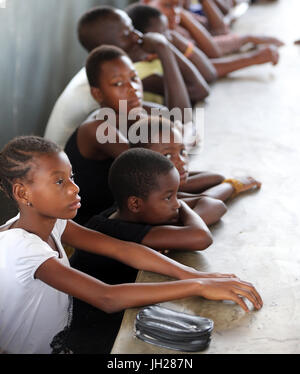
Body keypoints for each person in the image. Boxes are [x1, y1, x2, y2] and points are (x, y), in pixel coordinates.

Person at [0, 136, 263, 354]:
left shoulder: (53, 222)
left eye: (71, 177)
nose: (74, 188)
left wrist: (194, 274)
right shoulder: (22, 248)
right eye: (60, 181)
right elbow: (106, 297)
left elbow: (124, 249)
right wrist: (198, 286)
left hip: (67, 337)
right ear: (23, 193)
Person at [64, 45, 197, 224]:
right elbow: (156, 169)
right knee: (200, 201)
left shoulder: (142, 111)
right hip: (98, 220)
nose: (132, 89)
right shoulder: (96, 129)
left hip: (139, 203)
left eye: (134, 78)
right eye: (118, 83)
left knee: (203, 192)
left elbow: (183, 118)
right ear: (97, 93)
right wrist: (182, 142)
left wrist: (165, 50)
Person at [44, 6, 208, 148]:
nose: (137, 37)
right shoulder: (103, 83)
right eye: (127, 34)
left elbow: (172, 117)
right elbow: (188, 106)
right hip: (68, 175)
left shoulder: (117, 76)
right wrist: (163, 48)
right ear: (106, 46)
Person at [139, 0, 281, 79]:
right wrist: (254, 58)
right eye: (167, 5)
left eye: (178, 5)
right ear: (146, 2)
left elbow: (218, 32)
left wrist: (248, 38)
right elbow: (204, 68)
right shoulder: (152, 33)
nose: (175, 11)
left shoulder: (174, 24)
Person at [129, 116, 261, 226]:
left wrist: (178, 177)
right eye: (168, 156)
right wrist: (233, 184)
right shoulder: (151, 198)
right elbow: (208, 201)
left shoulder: (156, 185)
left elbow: (216, 178)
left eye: (182, 151)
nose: (181, 161)